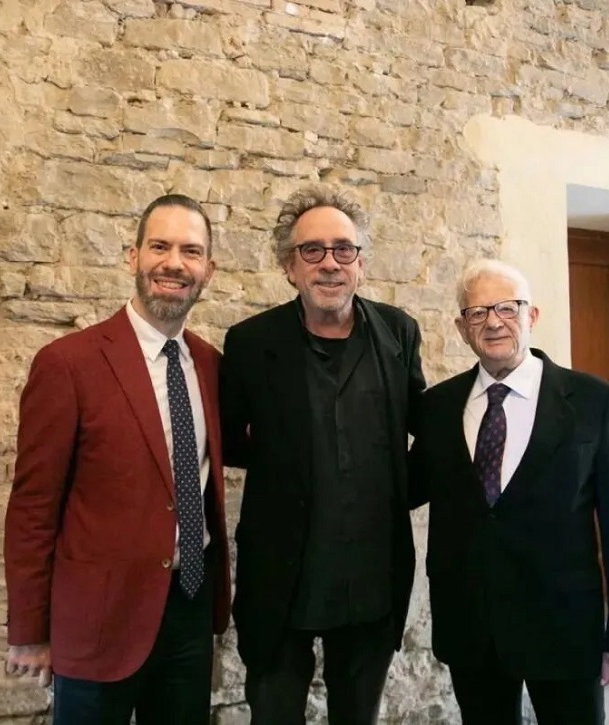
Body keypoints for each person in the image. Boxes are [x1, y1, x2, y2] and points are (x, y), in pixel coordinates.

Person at [3, 194, 231, 724]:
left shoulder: (210, 364)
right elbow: (33, 508)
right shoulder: (68, 364)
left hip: (190, 613)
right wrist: (30, 630)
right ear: (133, 257)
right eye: (160, 247)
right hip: (97, 621)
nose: (174, 263)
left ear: (209, 269)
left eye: (191, 251)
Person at [409, 259, 609, 725]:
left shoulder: (592, 402)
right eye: (478, 312)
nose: (494, 322)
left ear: (532, 316)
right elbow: (405, 487)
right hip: (472, 629)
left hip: (565, 628)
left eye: (507, 307)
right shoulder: (438, 407)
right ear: (462, 328)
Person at [219, 185, 426, 724]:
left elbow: (424, 427)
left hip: (371, 578)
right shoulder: (249, 343)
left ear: (360, 262)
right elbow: (229, 439)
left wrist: (400, 492)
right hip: (281, 578)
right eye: (312, 250)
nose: (329, 263)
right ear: (289, 267)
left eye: (343, 249)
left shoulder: (399, 333)